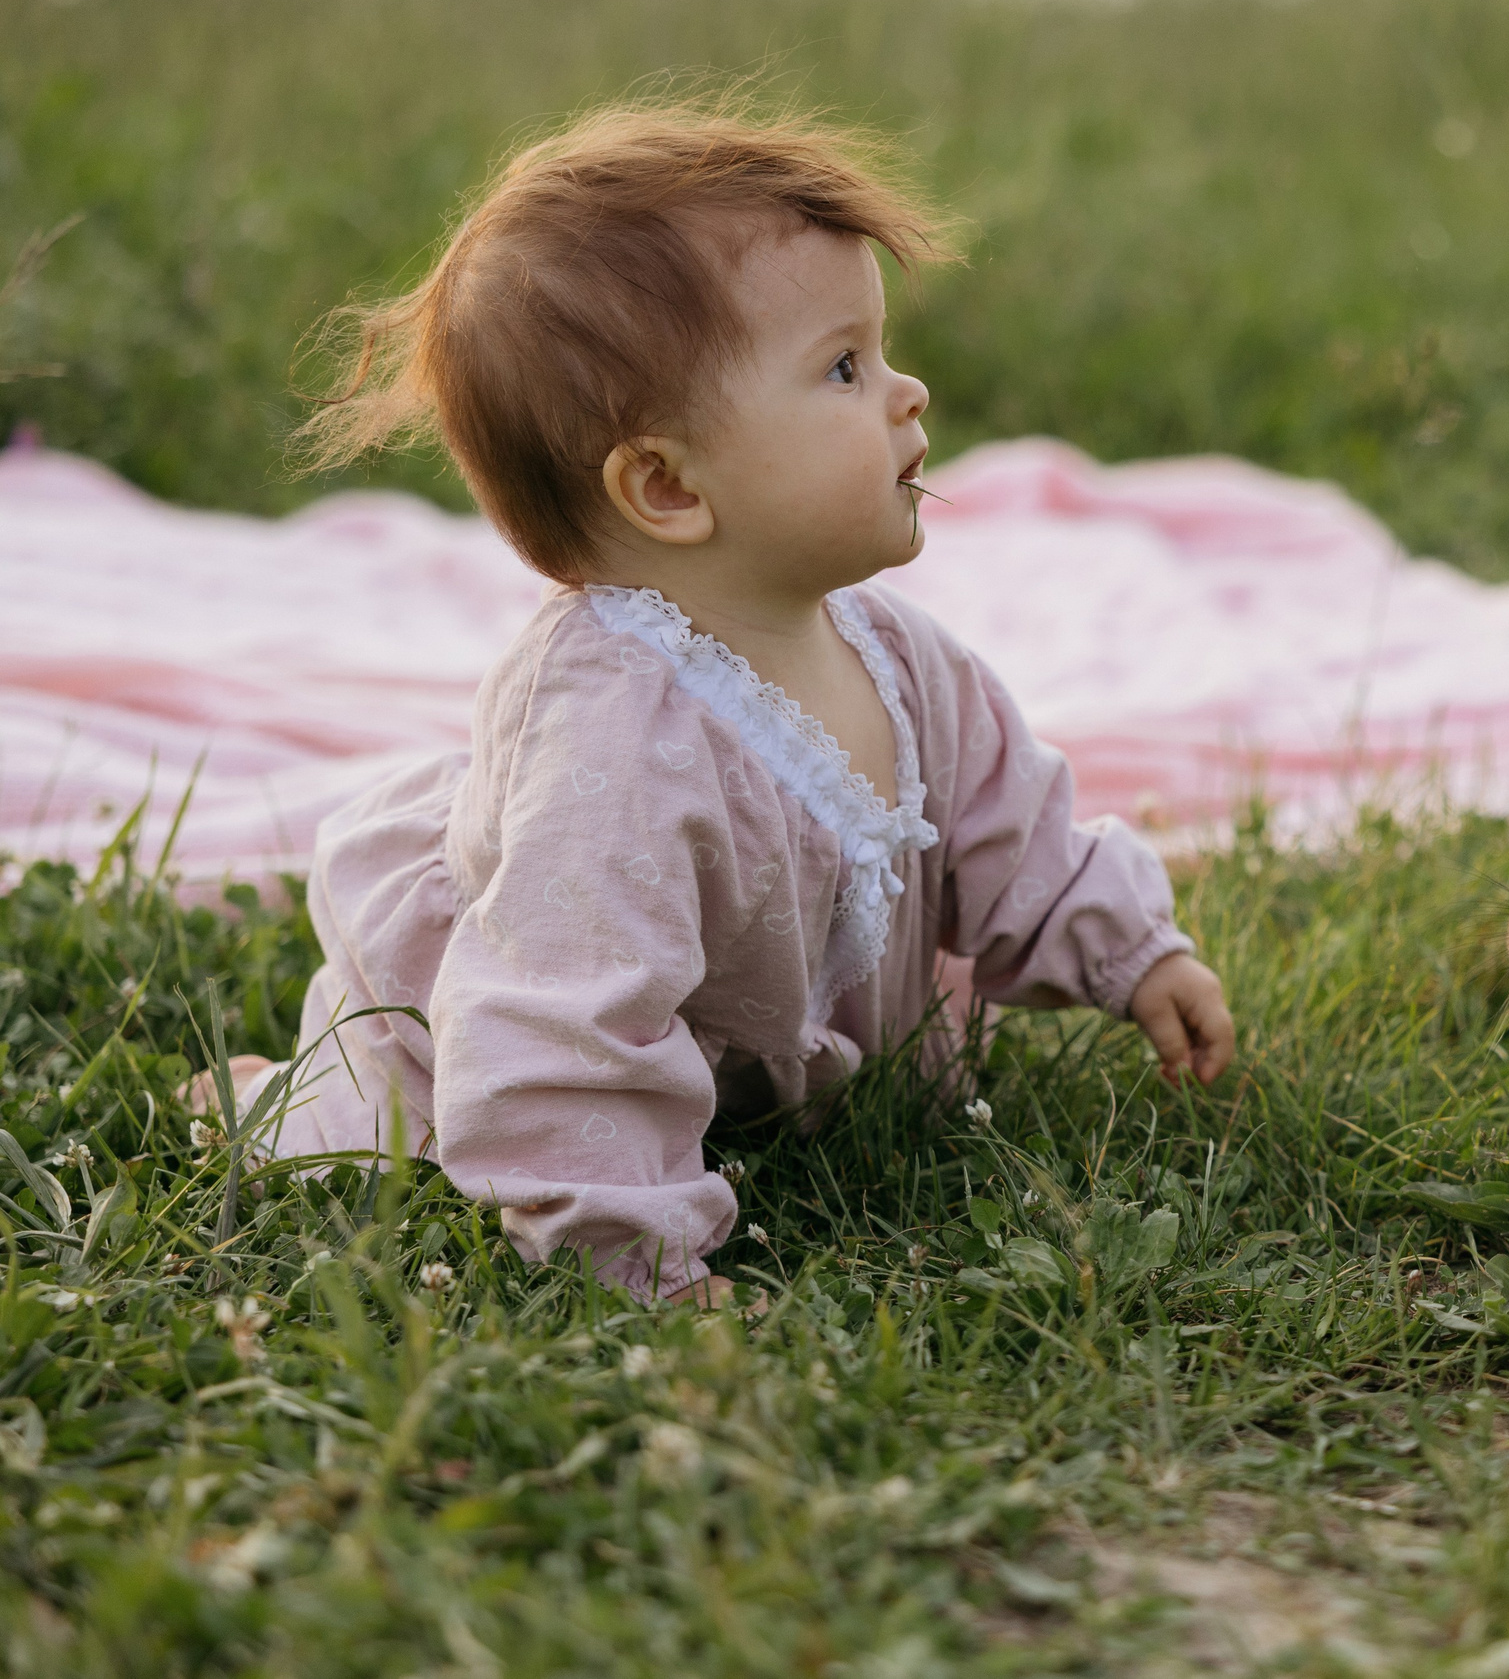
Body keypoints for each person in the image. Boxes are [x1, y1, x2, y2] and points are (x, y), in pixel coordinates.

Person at [198, 103, 1235, 1305]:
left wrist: (1129, 953)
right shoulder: (617, 750)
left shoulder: (890, 649)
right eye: (843, 368)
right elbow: (564, 1039)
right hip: (470, 1044)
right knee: (359, 1125)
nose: (908, 394)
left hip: (752, 1057)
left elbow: (1015, 826)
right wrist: (635, 1261)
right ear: (665, 486)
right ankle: (259, 1094)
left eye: (881, 352)